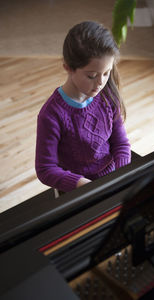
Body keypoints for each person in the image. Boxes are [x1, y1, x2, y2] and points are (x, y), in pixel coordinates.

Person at [35, 21, 131, 193]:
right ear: (68, 68)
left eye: (107, 73)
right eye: (92, 75)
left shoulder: (108, 95)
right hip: (76, 189)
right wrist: (83, 186)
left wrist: (123, 174)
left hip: (109, 179)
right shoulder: (51, 115)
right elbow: (45, 169)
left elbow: (121, 143)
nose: (101, 82)